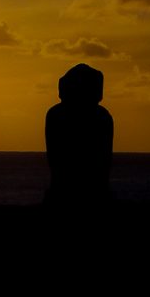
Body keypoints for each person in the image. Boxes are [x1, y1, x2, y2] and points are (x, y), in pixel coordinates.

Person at [45, 63, 113, 205]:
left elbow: (103, 159)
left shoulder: (102, 117)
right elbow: (56, 158)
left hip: (83, 192)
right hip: (71, 192)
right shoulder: (101, 117)